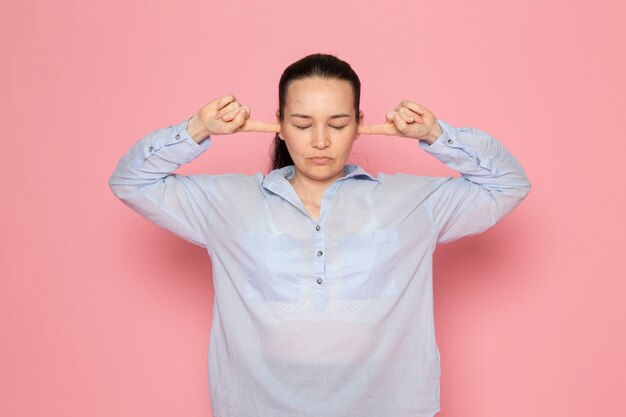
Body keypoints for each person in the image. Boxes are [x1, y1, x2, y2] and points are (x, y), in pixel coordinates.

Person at [109, 53, 531, 417]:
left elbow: (509, 185)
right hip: (258, 407)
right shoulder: (225, 202)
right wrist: (198, 129)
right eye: (302, 123)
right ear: (277, 124)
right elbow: (130, 182)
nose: (321, 141)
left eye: (338, 123)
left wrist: (438, 136)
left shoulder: (412, 202)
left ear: (360, 124)